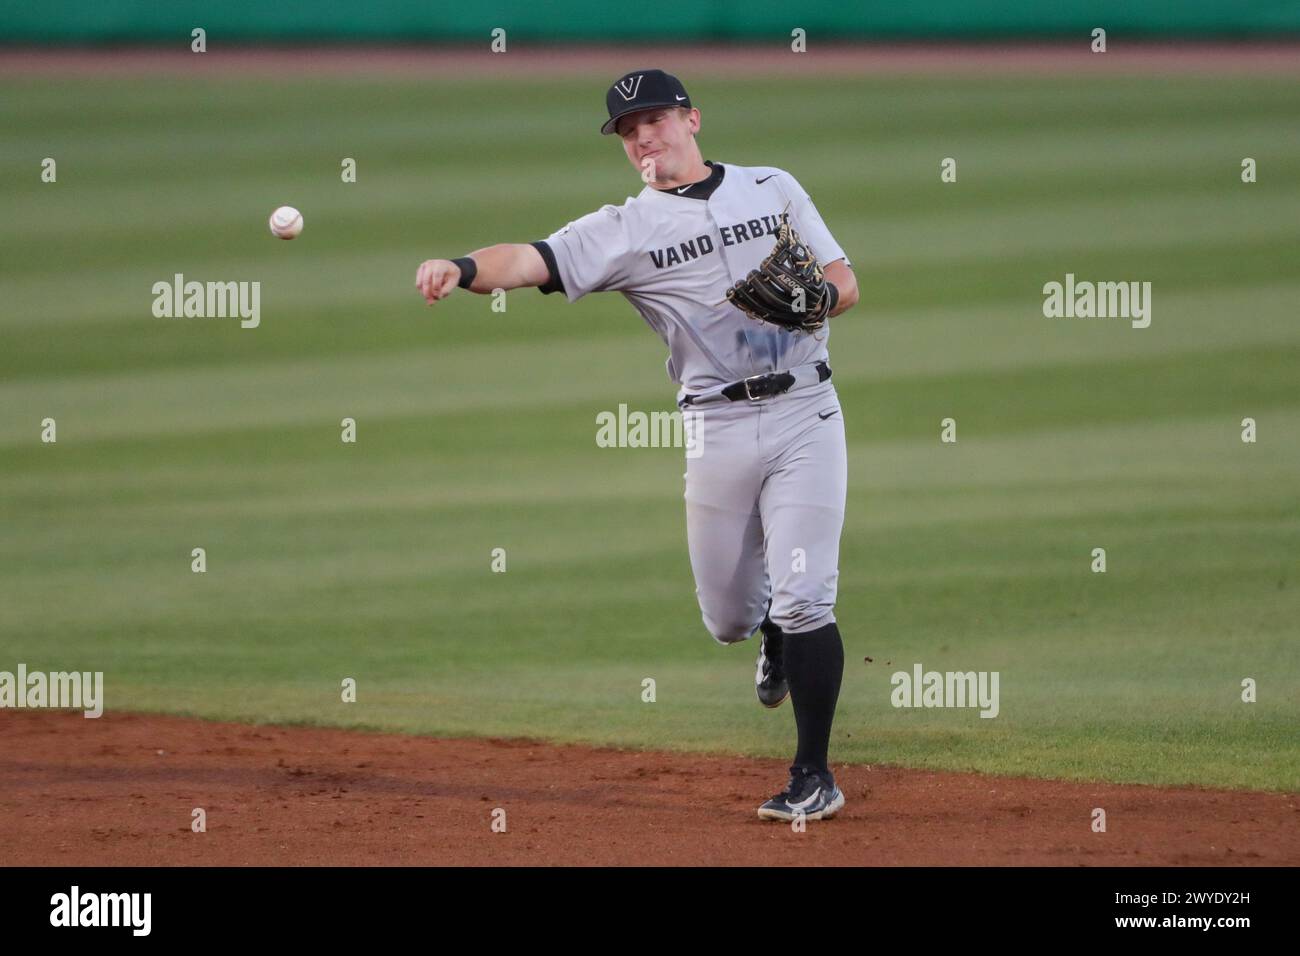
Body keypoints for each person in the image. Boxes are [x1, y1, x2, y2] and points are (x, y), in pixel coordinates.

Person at [415, 69, 859, 821]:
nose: (644, 136)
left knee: (808, 592)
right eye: (628, 130)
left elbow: (843, 282)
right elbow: (528, 261)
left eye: (654, 119)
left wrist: (818, 299)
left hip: (807, 411)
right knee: (727, 617)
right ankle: (771, 631)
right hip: (715, 426)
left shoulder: (772, 185)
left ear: (691, 118)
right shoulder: (622, 230)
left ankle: (813, 773)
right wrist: (459, 269)